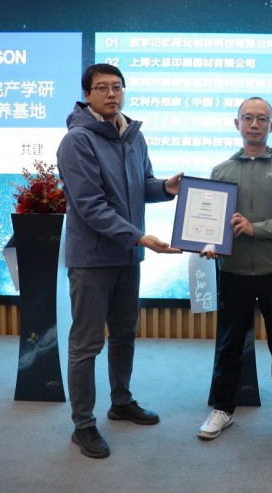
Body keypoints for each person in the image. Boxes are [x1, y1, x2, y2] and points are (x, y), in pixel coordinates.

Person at [56, 63, 183, 459]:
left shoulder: (132, 135)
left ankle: (121, 401)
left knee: (125, 333)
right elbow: (91, 206)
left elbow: (141, 186)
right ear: (87, 95)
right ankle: (83, 425)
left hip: (127, 255)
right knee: (87, 343)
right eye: (102, 88)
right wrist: (140, 237)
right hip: (93, 260)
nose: (111, 94)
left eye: (117, 87)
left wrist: (166, 188)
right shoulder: (77, 141)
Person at [196, 97, 272, 445]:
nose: (255, 124)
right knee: (230, 344)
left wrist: (254, 228)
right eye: (248, 118)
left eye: (262, 119)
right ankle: (223, 408)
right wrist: (208, 241)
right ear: (237, 123)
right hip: (233, 272)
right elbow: (211, 223)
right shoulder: (221, 171)